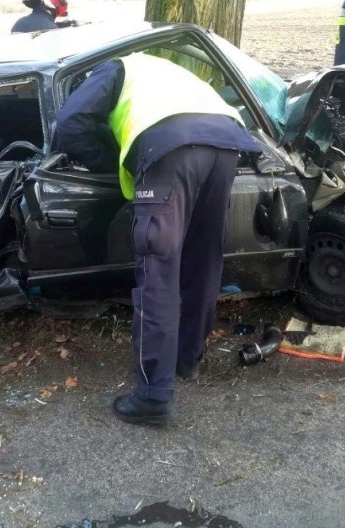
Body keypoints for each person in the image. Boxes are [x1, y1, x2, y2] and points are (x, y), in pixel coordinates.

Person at [55, 53, 261, 425]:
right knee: (203, 259)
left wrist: (111, 159)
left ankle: (153, 397)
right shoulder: (162, 69)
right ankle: (187, 359)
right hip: (228, 144)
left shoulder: (111, 68)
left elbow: (70, 125)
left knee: (158, 270)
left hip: (172, 150)